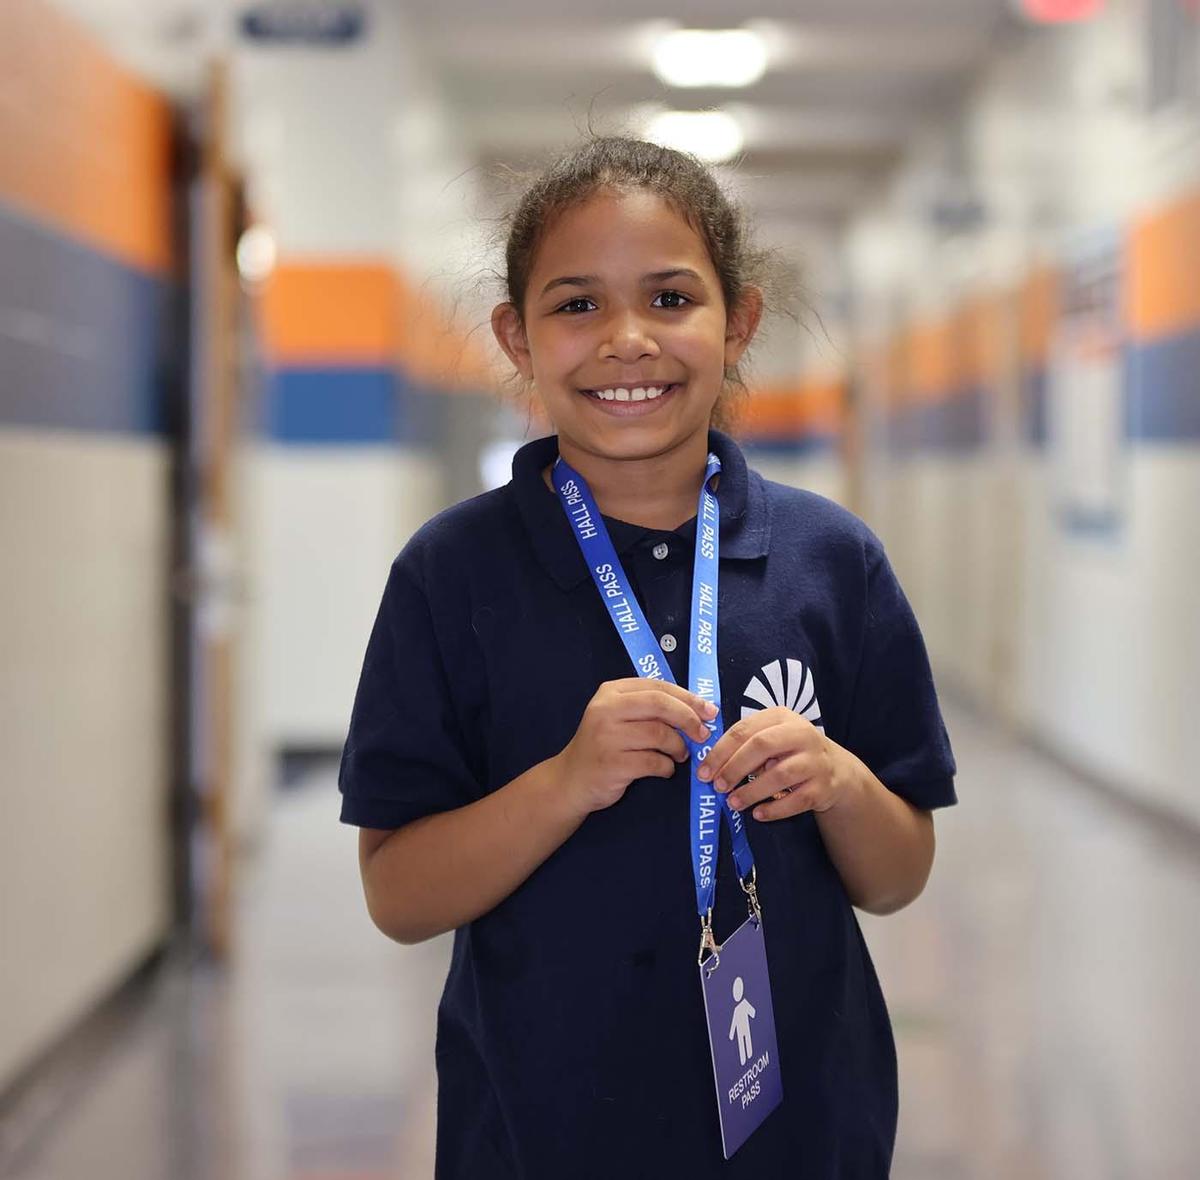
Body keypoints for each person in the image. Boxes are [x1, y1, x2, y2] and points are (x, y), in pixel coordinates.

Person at [338, 136, 957, 1178]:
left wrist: (841, 783)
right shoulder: (452, 575)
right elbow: (399, 895)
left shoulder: (832, 563)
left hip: (803, 1122)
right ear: (516, 335)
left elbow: (898, 875)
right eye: (576, 304)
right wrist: (565, 782)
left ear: (740, 320)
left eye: (671, 298)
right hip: (538, 1128)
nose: (627, 341)